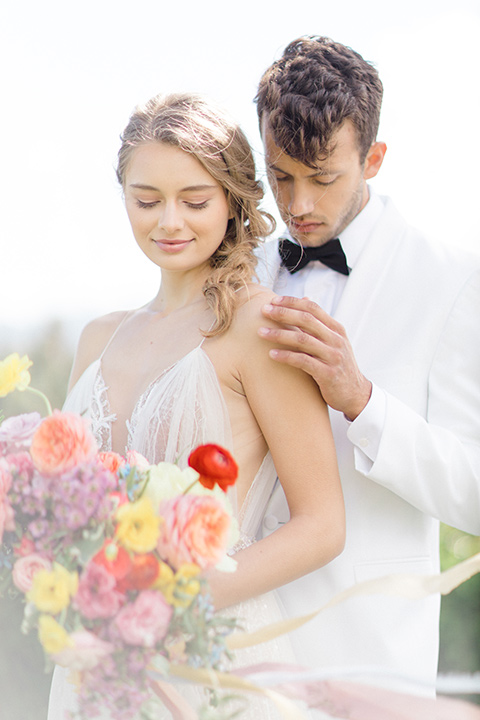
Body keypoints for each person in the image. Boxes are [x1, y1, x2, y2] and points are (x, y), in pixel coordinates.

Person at [47, 92, 345, 719]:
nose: (169, 222)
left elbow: (322, 526)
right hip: (99, 664)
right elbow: (63, 507)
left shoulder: (260, 327)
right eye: (147, 200)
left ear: (234, 201)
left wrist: (174, 600)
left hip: (213, 661)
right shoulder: (98, 338)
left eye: (195, 200)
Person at [254, 35, 480, 696]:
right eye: (280, 175)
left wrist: (362, 400)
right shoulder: (245, 271)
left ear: (373, 158)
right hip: (242, 653)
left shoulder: (451, 281)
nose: (298, 205)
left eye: (323, 179)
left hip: (367, 658)